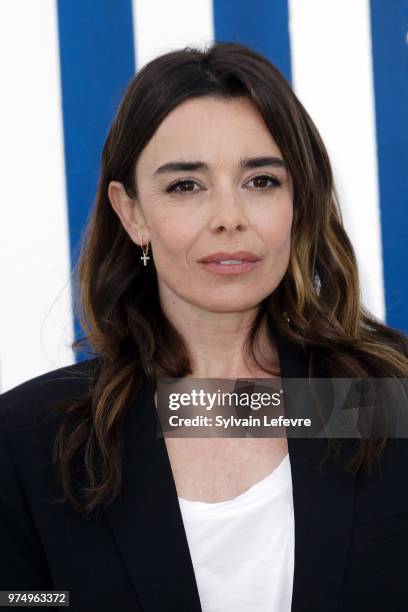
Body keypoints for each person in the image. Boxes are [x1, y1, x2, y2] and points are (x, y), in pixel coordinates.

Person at [0, 41, 407, 612]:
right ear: (131, 212)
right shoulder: (28, 442)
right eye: (185, 185)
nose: (229, 218)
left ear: (300, 200)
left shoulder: (386, 398)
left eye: (261, 180)